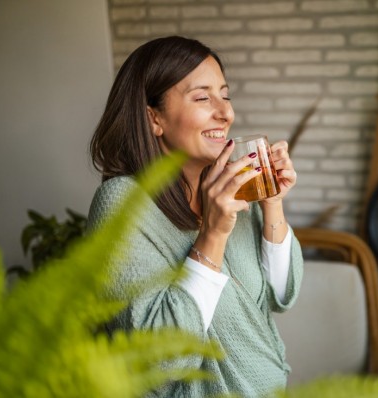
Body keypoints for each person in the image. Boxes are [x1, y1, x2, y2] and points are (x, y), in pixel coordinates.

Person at [87, 36, 303, 397]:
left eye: (226, 95)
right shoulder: (121, 204)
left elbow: (281, 295)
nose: (226, 113)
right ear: (153, 117)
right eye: (203, 98)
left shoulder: (226, 185)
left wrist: (272, 203)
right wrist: (214, 235)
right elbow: (158, 363)